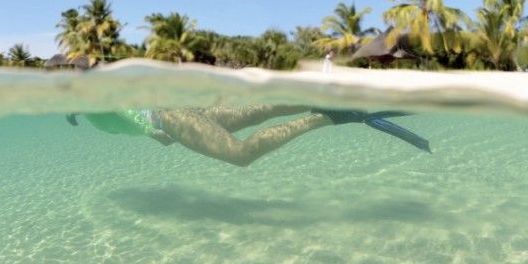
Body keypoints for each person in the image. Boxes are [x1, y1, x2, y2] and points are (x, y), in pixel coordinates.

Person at [67, 105, 430, 167]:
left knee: (240, 155)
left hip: (169, 121)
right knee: (258, 111)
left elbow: (120, 108)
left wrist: (150, 132)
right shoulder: (78, 102)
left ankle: (324, 117)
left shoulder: (88, 96)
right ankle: (318, 97)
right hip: (180, 113)